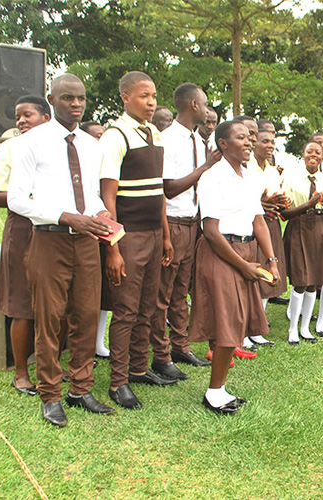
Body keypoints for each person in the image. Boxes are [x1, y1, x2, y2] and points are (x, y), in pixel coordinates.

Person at [9, 73, 118, 425]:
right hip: (48, 239)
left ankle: (81, 388)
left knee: (86, 315)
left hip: (86, 241)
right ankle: (50, 394)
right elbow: (16, 199)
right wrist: (65, 216)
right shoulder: (31, 142)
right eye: (68, 98)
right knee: (49, 318)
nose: (76, 104)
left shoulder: (90, 144)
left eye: (81, 99)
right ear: (51, 99)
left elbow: (92, 193)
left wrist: (100, 212)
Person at [98, 70, 178, 410]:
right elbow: (107, 200)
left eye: (154, 96)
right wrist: (113, 248)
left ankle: (138, 368)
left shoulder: (155, 135)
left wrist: (166, 235)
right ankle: (118, 383)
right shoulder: (115, 137)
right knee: (127, 310)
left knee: (148, 308)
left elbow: (159, 191)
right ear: (125, 98)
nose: (151, 102)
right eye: (144, 95)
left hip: (154, 233)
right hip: (128, 235)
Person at [189, 120, 280, 414]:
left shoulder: (250, 176)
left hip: (245, 248)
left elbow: (258, 220)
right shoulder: (212, 178)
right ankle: (214, 393)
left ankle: (220, 388)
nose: (249, 142)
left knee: (237, 321)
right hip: (221, 252)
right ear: (223, 144)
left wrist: (271, 260)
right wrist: (243, 266)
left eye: (250, 137)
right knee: (227, 322)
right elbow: (211, 231)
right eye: (241, 137)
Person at [150, 82, 216, 374]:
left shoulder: (197, 141)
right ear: (192, 105)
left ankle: (181, 347)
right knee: (162, 294)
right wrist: (205, 167)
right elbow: (170, 189)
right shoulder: (168, 140)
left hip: (192, 224)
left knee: (181, 292)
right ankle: (161, 355)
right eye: (203, 104)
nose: (206, 109)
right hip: (173, 224)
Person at [0, 95, 50, 395]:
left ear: (46, 118)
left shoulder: (60, 147)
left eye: (28, 115)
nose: (21, 121)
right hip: (23, 229)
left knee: (55, 303)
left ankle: (48, 366)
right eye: (18, 116)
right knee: (21, 303)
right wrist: (29, 197)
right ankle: (22, 374)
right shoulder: (9, 148)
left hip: (55, 230)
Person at [279, 141, 323, 344]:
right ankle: (293, 328)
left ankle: (305, 328)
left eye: (318, 152)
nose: (314, 155)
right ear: (302, 155)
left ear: (322, 156)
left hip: (320, 230)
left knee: (314, 282)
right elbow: (284, 213)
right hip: (299, 227)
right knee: (301, 281)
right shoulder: (291, 178)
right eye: (309, 151)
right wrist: (308, 205)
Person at [251, 126, 290, 342]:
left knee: (268, 271)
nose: (269, 146)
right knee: (253, 273)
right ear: (254, 142)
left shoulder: (273, 170)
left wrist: (283, 202)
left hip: (272, 224)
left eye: (272, 143)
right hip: (252, 224)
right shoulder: (246, 167)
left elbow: (276, 197)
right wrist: (262, 203)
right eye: (264, 141)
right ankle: (247, 329)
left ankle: (258, 325)